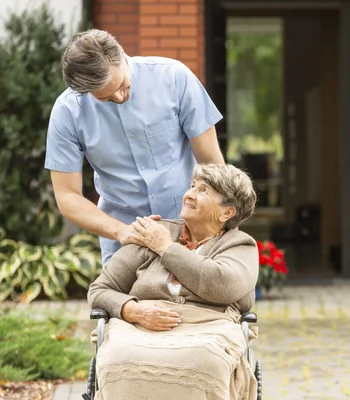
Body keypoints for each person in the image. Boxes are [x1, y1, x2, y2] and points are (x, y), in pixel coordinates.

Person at [44, 29, 225, 265]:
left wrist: (224, 221)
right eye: (106, 98)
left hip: (191, 228)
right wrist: (121, 231)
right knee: (116, 302)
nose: (119, 98)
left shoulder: (174, 78)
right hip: (123, 237)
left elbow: (211, 164)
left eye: (122, 85)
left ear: (120, 53)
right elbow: (67, 196)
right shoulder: (67, 112)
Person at [88, 163, 258, 400]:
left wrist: (165, 247)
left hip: (207, 330)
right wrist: (133, 310)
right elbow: (100, 289)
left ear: (226, 212)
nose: (189, 194)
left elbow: (222, 284)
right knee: (117, 355)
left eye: (203, 191)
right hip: (140, 329)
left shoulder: (239, 245)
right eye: (191, 186)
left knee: (206, 359)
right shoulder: (153, 232)